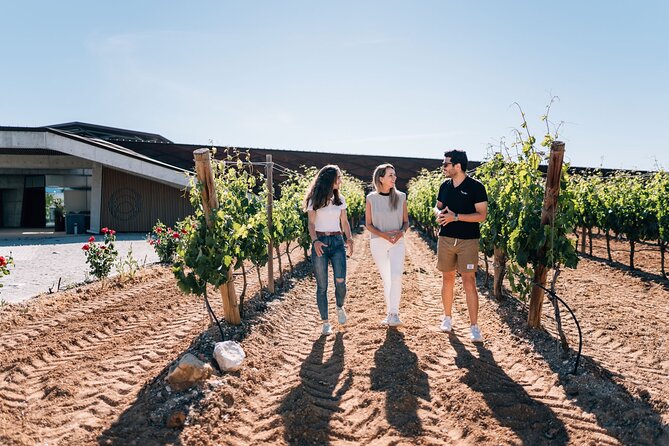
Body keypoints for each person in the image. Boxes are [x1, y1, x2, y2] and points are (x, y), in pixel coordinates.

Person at [434, 149, 488, 343]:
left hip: (468, 241)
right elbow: (438, 206)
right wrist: (437, 213)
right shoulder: (445, 186)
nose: (443, 168)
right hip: (446, 239)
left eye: (446, 164)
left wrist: (456, 217)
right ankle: (447, 318)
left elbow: (481, 215)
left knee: (469, 282)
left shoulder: (476, 187)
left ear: (457, 166)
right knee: (447, 279)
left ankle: (474, 327)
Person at [304, 165, 354, 335]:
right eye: (338, 177)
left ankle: (340, 306)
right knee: (322, 286)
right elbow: (311, 224)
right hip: (321, 242)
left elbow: (345, 222)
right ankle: (325, 322)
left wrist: (350, 238)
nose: (340, 181)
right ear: (330, 179)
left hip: (337, 242)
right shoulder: (314, 200)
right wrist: (315, 241)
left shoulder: (340, 200)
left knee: (340, 281)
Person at [365, 163, 409, 327]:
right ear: (381, 178)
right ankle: (389, 312)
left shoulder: (401, 197)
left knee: (396, 275)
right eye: (391, 175)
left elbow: (406, 222)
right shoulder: (371, 198)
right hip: (378, 242)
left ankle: (394, 313)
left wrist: (399, 233)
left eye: (394, 175)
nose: (394, 178)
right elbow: (368, 224)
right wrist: (384, 235)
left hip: (397, 242)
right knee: (387, 278)